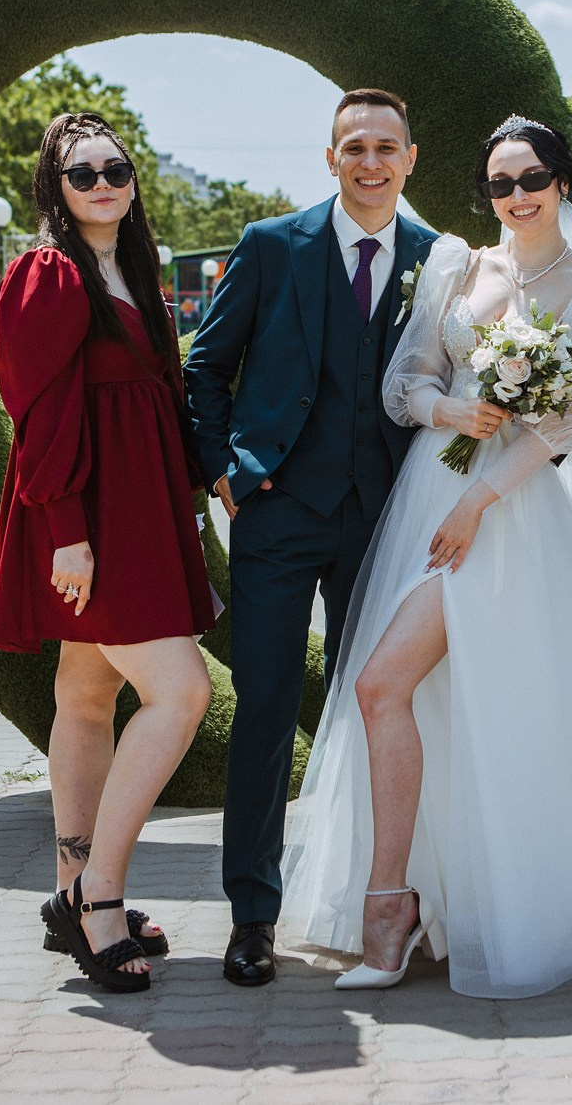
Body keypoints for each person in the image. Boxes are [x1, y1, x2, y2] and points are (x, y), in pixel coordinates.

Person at [283, 115, 572, 998]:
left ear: (562, 180)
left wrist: (480, 500)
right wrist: (458, 416)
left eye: (531, 178)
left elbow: (564, 427)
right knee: (419, 698)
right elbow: (404, 384)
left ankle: (396, 905)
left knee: (392, 686)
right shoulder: (458, 265)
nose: (515, 196)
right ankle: (425, 900)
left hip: (506, 514)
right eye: (499, 183)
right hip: (428, 493)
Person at [183, 88, 439, 987]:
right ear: (330, 158)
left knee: (385, 708)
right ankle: (254, 913)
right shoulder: (269, 246)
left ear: (411, 159)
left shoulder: (439, 259)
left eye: (386, 148)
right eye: (354, 147)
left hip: (386, 518)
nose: (370, 162)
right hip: (279, 513)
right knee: (262, 711)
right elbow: (204, 369)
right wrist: (223, 471)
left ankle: (385, 899)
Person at [0, 111, 217, 994]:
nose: (102, 184)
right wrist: (66, 532)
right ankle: (99, 896)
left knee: (88, 693)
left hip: (140, 508)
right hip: (91, 520)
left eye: (114, 168)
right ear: (56, 187)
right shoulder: (48, 272)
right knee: (182, 690)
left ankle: (65, 896)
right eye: (81, 174)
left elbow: (156, 397)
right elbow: (37, 413)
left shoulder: (135, 269)